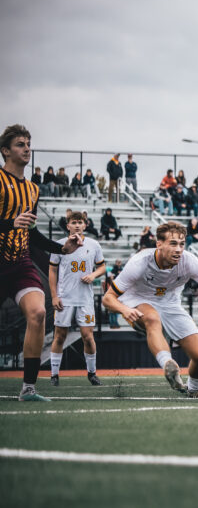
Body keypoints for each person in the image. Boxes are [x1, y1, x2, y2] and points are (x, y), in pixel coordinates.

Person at [1, 125, 84, 401]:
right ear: (5, 151)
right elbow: (14, 223)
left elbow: (32, 234)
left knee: (37, 314)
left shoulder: (32, 190)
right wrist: (9, 224)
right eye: (20, 144)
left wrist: (63, 247)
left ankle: (28, 388)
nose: (26, 149)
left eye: (28, 144)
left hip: (20, 262)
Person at [102, 221, 198, 398]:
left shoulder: (189, 261)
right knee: (152, 318)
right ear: (159, 244)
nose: (179, 249)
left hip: (171, 305)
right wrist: (123, 309)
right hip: (137, 301)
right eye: (173, 243)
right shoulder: (140, 262)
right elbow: (108, 298)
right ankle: (169, 365)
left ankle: (193, 389)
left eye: (182, 244)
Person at [48, 211, 106, 386]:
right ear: (68, 226)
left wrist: (93, 275)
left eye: (80, 222)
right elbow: (52, 271)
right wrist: (54, 296)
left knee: (88, 337)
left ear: (85, 225)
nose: (77, 225)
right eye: (74, 222)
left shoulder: (94, 245)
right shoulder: (59, 245)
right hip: (64, 298)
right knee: (59, 336)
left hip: (85, 299)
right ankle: (54, 375)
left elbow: (102, 267)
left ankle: (92, 373)